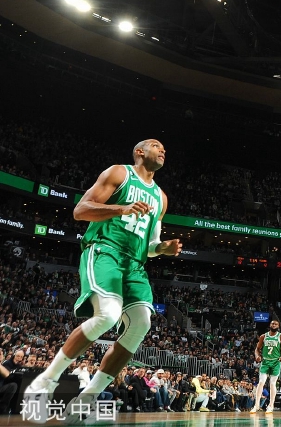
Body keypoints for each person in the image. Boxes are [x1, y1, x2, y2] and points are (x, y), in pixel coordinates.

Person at [24, 139, 181, 424]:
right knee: (108, 314)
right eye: (156, 145)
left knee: (141, 324)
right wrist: (120, 209)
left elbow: (150, 245)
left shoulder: (161, 197)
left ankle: (88, 397)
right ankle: (46, 380)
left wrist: (163, 248)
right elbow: (80, 210)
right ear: (140, 152)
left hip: (135, 264)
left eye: (164, 148)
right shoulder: (119, 173)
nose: (163, 150)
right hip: (105, 249)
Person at [251, 319, 281, 414]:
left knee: (272, 383)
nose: (273, 325)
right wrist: (257, 356)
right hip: (265, 361)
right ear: (270, 325)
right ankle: (256, 405)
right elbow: (257, 349)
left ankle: (271, 405)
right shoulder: (263, 336)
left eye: (275, 324)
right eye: (272, 323)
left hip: (276, 362)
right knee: (261, 382)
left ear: (278, 326)